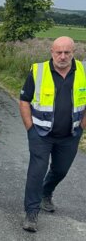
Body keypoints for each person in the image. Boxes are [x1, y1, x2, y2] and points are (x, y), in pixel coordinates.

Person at [20, 36, 86, 232]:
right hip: (40, 134)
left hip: (70, 134)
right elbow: (24, 100)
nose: (63, 56)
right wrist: (30, 128)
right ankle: (31, 213)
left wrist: (82, 125)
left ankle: (46, 193)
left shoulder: (83, 71)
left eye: (67, 52)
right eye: (59, 52)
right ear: (52, 52)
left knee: (61, 170)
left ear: (74, 52)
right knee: (36, 172)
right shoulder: (38, 70)